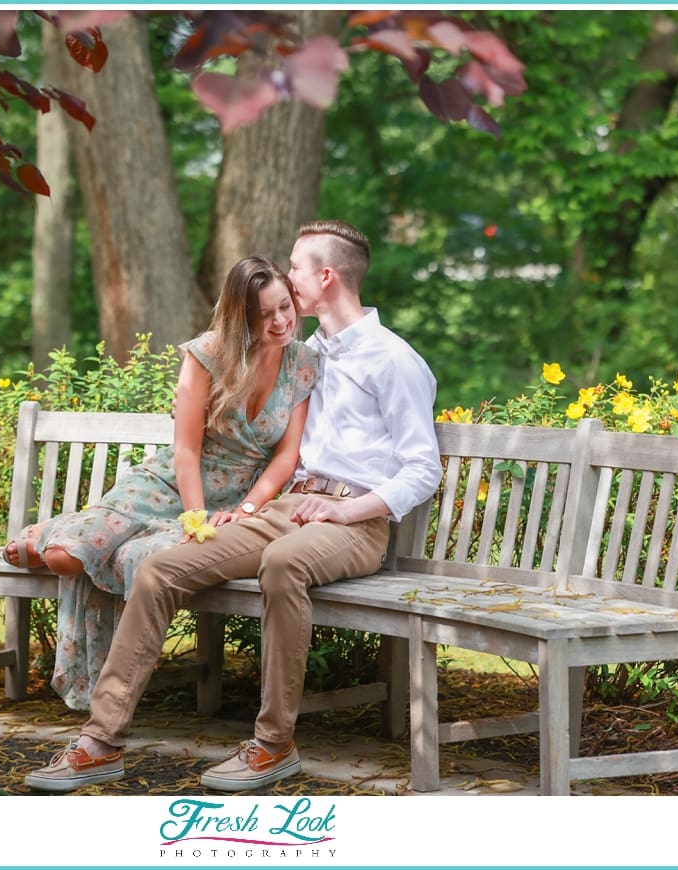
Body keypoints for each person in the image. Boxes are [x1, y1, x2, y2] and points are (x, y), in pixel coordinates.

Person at [24, 220, 443, 793]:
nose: (289, 276)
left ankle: (273, 745)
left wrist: (348, 511)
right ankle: (101, 741)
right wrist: (243, 510)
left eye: (295, 267)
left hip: (353, 522)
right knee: (161, 568)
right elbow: (237, 385)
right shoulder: (306, 354)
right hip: (290, 508)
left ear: (325, 276)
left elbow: (424, 468)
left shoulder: (393, 360)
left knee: (283, 564)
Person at [1, 256, 318, 710]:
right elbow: (186, 449)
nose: (281, 321)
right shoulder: (207, 354)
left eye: (285, 307)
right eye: (264, 315)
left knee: (140, 558)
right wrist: (195, 515)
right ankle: (60, 532)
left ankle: (65, 535)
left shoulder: (303, 363)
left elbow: (287, 456)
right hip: (170, 485)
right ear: (241, 317)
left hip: (234, 500)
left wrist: (246, 510)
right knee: (64, 559)